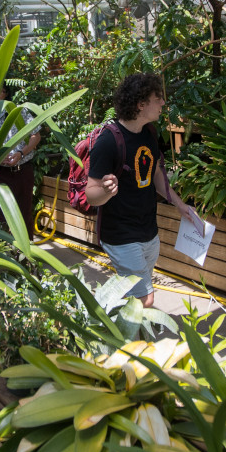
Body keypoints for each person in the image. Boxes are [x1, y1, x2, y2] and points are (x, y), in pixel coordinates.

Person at [84, 72, 199, 308]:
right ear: (140, 104)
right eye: (158, 98)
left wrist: (180, 206)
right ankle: (132, 342)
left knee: (133, 294)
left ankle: (111, 324)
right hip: (121, 234)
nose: (163, 103)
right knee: (144, 298)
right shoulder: (108, 142)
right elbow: (91, 196)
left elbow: (156, 174)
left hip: (148, 231)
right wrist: (107, 191)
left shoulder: (149, 134)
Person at [0, 72, 42, 231]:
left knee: (25, 213)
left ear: (4, 93)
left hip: (23, 171)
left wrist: (21, 153)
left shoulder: (18, 112)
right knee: (2, 215)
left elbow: (36, 136)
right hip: (1, 173)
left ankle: (26, 253)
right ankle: (6, 251)